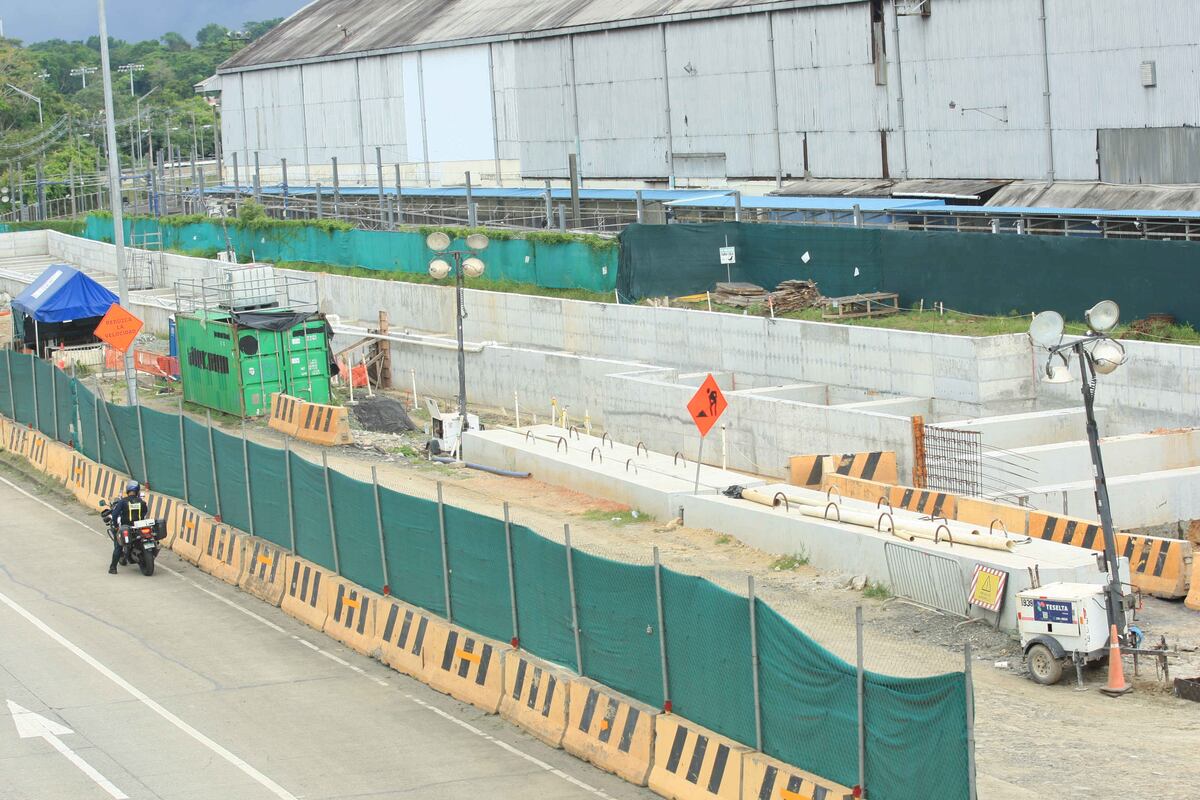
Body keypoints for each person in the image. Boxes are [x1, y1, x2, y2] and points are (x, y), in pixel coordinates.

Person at [108, 481, 147, 574]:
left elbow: (115, 514)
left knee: (118, 546)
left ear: (127, 490)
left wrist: (116, 526)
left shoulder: (123, 501)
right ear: (137, 491)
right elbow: (145, 512)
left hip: (126, 527)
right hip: (139, 527)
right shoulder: (142, 502)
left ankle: (113, 568)